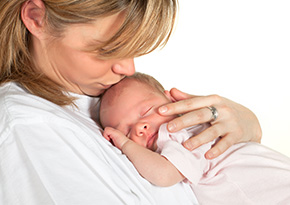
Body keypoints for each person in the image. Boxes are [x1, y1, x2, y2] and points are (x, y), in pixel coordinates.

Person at [0, 0, 262, 204]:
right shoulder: (27, 127)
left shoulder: (106, 97)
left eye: (133, 48)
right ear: (36, 18)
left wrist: (245, 130)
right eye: (109, 50)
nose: (128, 67)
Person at [100, 72, 290, 205]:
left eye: (147, 111)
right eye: (126, 131)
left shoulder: (180, 134)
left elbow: (163, 175)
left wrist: (124, 143)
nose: (140, 128)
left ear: (172, 101)